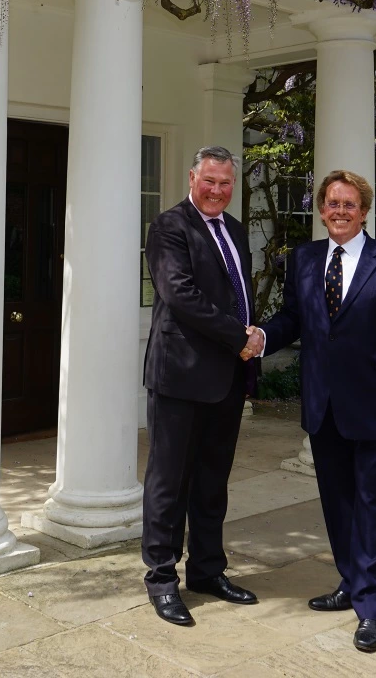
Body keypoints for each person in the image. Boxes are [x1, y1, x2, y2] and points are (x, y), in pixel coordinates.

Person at [257, 168, 376, 652]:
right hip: (322, 404)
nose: (339, 212)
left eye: (349, 204)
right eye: (332, 203)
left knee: (370, 502)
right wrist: (262, 337)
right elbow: (294, 318)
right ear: (321, 208)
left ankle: (373, 608)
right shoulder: (305, 259)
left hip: (375, 404)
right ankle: (351, 583)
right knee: (337, 503)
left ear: (365, 211)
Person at [140, 146, 267, 626]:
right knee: (169, 482)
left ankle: (208, 571)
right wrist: (241, 336)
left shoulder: (233, 229)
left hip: (227, 378)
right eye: (209, 181)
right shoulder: (170, 226)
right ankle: (161, 579)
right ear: (192, 177)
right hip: (180, 374)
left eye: (225, 183)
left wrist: (252, 335)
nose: (217, 191)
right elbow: (180, 295)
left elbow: (237, 293)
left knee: (213, 481)